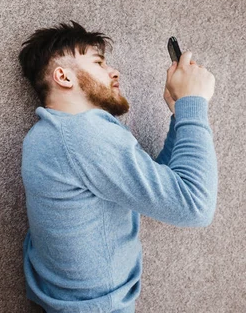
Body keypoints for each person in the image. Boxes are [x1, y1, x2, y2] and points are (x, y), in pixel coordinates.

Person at [18, 21, 218, 313]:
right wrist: (194, 102)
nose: (114, 72)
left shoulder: (48, 135)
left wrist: (180, 117)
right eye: (98, 62)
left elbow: (152, 188)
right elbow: (194, 205)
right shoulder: (84, 133)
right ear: (63, 76)